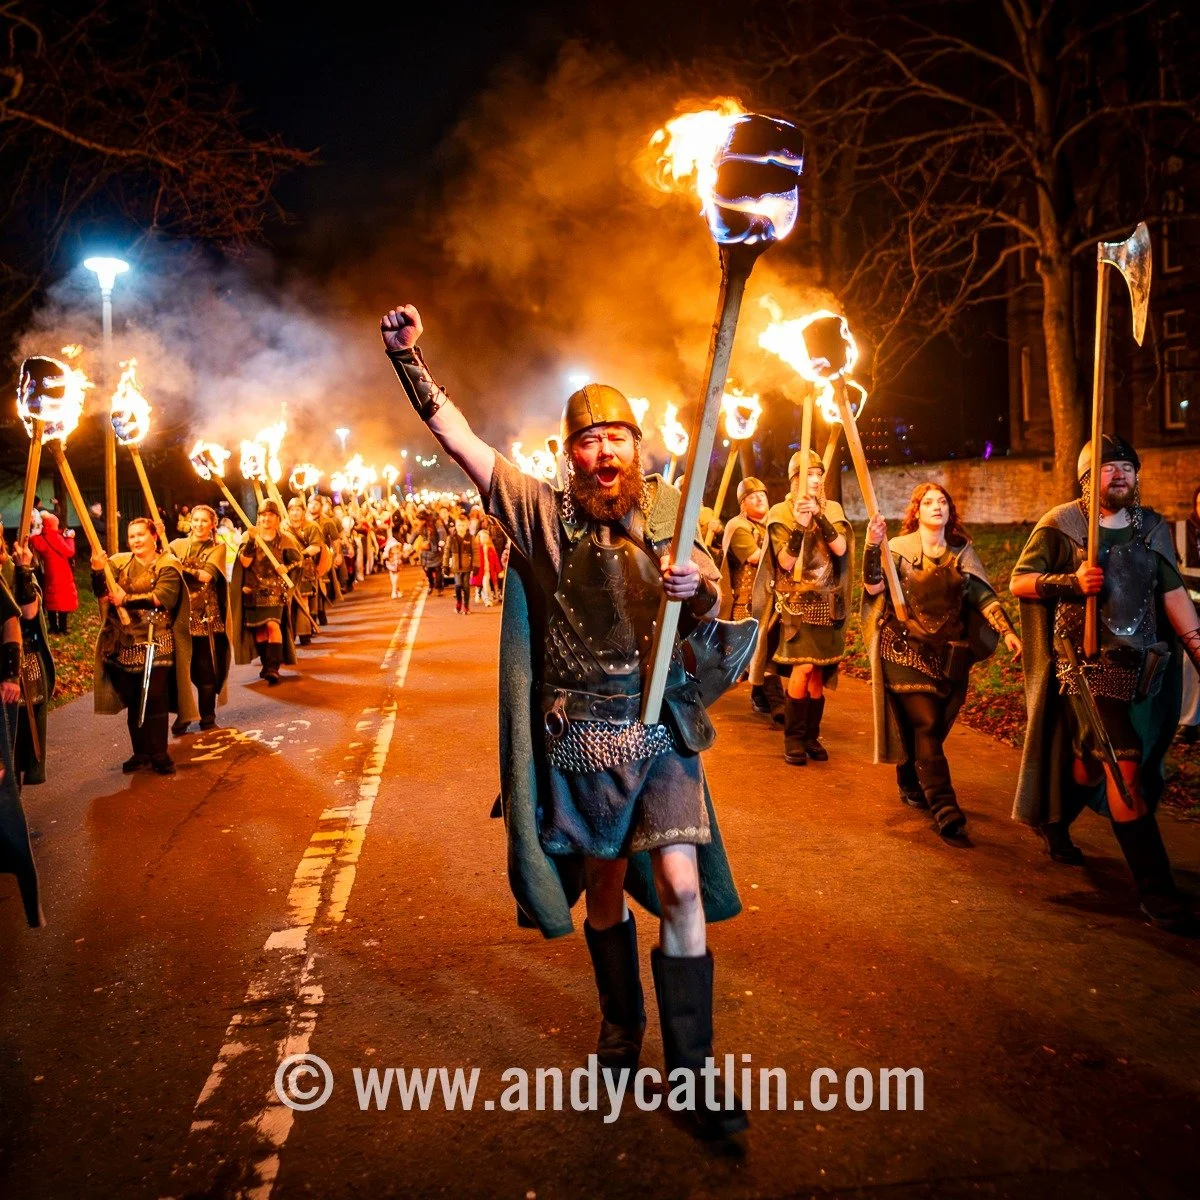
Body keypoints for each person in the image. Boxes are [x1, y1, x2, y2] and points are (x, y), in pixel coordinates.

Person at [381, 303, 751, 1138]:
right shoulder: (542, 514)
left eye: (617, 435)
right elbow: (461, 442)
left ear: (637, 444)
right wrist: (411, 361)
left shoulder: (671, 518)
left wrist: (702, 591)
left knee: (684, 887)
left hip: (661, 737)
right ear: (569, 453)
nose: (605, 450)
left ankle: (692, 1073)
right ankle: (622, 1025)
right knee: (608, 893)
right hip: (583, 742)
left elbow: (713, 615)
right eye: (589, 439)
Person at [1010, 436, 1200, 932]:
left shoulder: (1152, 529)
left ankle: (1054, 818)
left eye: (1125, 467)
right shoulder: (1063, 525)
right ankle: (1157, 894)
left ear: (1137, 477)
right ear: (1085, 478)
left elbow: (1175, 598)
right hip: (1083, 667)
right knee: (1124, 766)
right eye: (1106, 467)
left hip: (1140, 669)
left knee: (1087, 767)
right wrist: (1070, 583)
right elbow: (1019, 581)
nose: (1117, 474)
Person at [863, 482, 1021, 838]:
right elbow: (873, 588)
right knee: (926, 721)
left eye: (943, 502)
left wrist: (1007, 631)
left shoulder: (962, 553)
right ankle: (945, 806)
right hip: (903, 650)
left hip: (948, 657)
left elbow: (983, 597)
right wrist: (873, 545)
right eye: (929, 502)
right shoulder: (897, 550)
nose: (937, 506)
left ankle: (910, 777)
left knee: (928, 728)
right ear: (916, 511)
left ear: (950, 512)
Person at [753, 451, 853, 766]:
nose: (817, 480)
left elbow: (840, 548)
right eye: (810, 474)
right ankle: (793, 738)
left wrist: (819, 517)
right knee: (803, 666)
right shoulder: (780, 511)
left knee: (818, 672)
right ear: (796, 479)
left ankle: (811, 736)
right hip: (796, 603)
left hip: (827, 601)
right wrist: (799, 523)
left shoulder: (832, 508)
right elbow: (785, 562)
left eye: (819, 474)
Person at [91, 517, 196, 775]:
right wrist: (96, 570)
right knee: (134, 698)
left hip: (157, 639)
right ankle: (140, 753)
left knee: (155, 697)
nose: (136, 540)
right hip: (125, 641)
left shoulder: (167, 564)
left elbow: (165, 597)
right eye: (132, 536)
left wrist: (126, 599)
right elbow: (101, 591)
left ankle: (160, 753)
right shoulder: (118, 563)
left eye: (141, 535)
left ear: (153, 536)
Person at [169, 505, 232, 734]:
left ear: (212, 524)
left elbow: (206, 576)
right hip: (179, 616)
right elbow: (163, 568)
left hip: (203, 616)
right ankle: (184, 715)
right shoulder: (176, 546)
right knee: (180, 671)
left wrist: (179, 566)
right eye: (195, 520)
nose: (199, 524)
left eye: (204, 521)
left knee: (204, 669)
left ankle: (207, 716)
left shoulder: (217, 548)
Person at [1, 540, 54, 787]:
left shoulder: (15, 572)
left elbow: (30, 613)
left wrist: (23, 570)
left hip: (21, 663)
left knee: (15, 748)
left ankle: (13, 817)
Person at [230, 501, 301, 685]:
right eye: (263, 515)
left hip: (276, 591)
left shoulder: (285, 540)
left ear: (277, 519)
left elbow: (297, 562)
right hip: (253, 591)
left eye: (270, 515)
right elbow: (245, 562)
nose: (266, 518)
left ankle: (273, 668)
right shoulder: (249, 537)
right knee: (260, 631)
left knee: (272, 625)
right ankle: (266, 663)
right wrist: (253, 540)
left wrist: (286, 567)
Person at [1174, 484, 1200, 743]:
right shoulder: (1180, 531)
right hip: (1191, 610)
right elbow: (1181, 575)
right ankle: (1189, 722)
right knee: (1189, 661)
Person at [29, 512, 77, 633]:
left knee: (51, 598)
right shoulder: (57, 538)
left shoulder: (42, 538)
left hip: (50, 573)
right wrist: (70, 538)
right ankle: (62, 628)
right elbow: (70, 551)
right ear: (54, 524)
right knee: (63, 600)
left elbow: (34, 539)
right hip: (63, 572)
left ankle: (53, 627)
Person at [286, 497, 324, 645]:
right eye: (292, 510)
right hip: (288, 568)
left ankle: (304, 633)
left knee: (303, 599)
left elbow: (316, 547)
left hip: (304, 567)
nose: (294, 513)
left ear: (303, 511)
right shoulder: (283, 527)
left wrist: (300, 554)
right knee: (288, 602)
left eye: (297, 510)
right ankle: (289, 635)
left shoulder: (311, 527)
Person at [443, 516, 475, 614]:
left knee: (466, 586)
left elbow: (475, 552)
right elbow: (447, 552)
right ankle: (458, 602)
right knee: (458, 585)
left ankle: (466, 605)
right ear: (456, 526)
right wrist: (445, 565)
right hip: (456, 567)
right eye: (459, 525)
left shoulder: (471, 538)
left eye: (463, 525)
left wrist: (476, 565)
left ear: (467, 526)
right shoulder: (451, 538)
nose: (461, 527)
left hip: (467, 567)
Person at [472, 527, 502, 605]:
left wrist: (499, 571)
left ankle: (488, 599)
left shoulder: (491, 549)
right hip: (479, 571)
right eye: (483, 537)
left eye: (486, 537)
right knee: (479, 585)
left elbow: (496, 561)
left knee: (485, 584)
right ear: (479, 538)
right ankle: (479, 594)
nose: (485, 539)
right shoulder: (477, 549)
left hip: (488, 571)